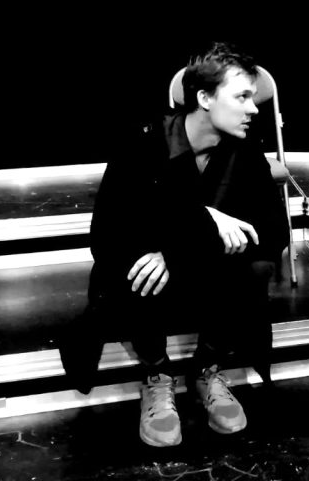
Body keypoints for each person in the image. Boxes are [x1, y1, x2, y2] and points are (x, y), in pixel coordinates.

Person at [59, 41, 288, 448]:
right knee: (138, 263)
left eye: (253, 98)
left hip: (205, 274)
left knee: (255, 266)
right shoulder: (144, 143)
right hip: (152, 282)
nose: (254, 109)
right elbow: (107, 235)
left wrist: (180, 247)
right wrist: (205, 219)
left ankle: (206, 369)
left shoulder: (246, 151)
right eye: (242, 97)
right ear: (204, 99)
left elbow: (272, 235)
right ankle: (157, 373)